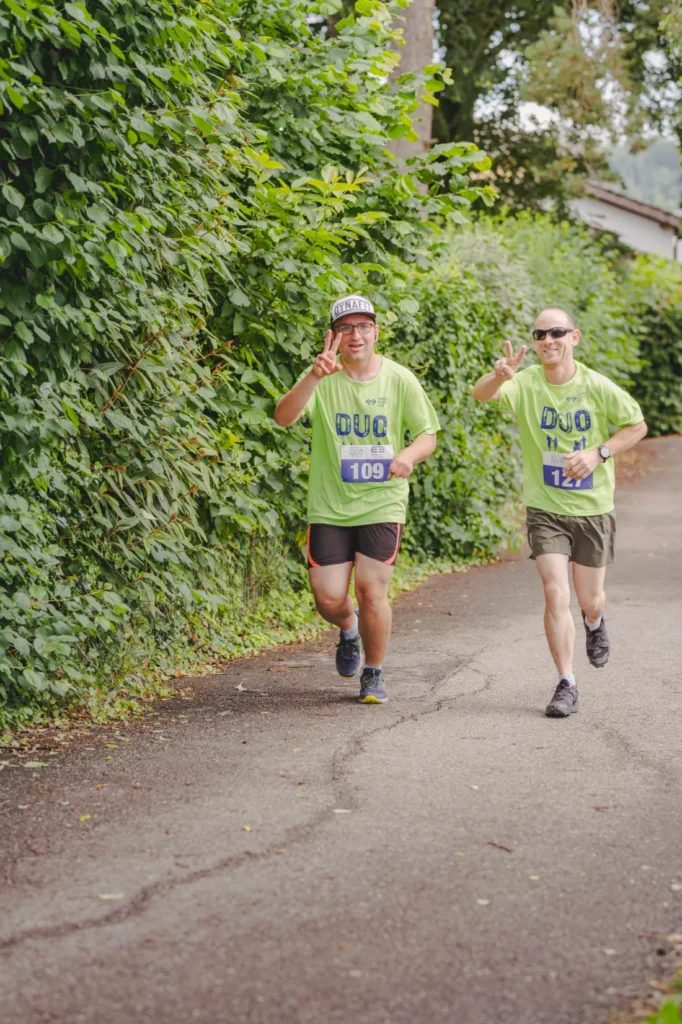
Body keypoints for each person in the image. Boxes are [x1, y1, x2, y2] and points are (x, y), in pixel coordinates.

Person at [472, 308, 647, 718]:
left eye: (556, 333)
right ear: (534, 342)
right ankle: (566, 682)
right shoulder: (527, 382)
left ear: (574, 337)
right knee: (555, 591)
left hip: (592, 508)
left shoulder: (597, 386)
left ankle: (594, 622)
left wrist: (598, 453)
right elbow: (481, 394)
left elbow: (636, 426)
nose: (547, 340)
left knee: (590, 598)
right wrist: (499, 375)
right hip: (545, 507)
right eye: (539, 334)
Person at [274, 294, 440, 704]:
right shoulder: (322, 376)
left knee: (371, 590)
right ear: (334, 336)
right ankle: (348, 629)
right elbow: (283, 417)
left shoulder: (400, 379)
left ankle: (374, 672)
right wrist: (312, 377)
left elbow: (427, 435)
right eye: (346, 328)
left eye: (364, 326)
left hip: (382, 502)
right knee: (329, 598)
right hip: (330, 504)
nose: (356, 335)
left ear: (376, 332)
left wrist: (407, 455)